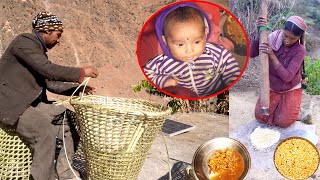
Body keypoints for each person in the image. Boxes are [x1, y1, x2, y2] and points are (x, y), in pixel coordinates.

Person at [0, 11, 99, 180]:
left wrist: (77, 89)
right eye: (58, 35)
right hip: (15, 105)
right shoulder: (23, 43)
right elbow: (49, 70)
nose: (59, 40)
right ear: (46, 31)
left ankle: (65, 171)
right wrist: (82, 72)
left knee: (69, 119)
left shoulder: (37, 51)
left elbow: (49, 83)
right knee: (44, 131)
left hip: (31, 104)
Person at [143, 2, 241, 98]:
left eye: (197, 42)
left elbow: (229, 65)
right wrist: (163, 80)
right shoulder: (163, 62)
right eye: (180, 44)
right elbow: (147, 73)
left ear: (205, 33)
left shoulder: (215, 53)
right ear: (165, 41)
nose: (190, 51)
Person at [250, 15, 307, 128]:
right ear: (282, 29)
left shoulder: (300, 50)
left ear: (299, 38)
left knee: (283, 122)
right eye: (285, 35)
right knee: (261, 117)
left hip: (290, 88)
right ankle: (280, 108)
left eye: (293, 38)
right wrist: (259, 31)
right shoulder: (272, 38)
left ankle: (292, 109)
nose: (287, 40)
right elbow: (252, 53)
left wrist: (272, 55)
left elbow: (287, 77)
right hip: (272, 87)